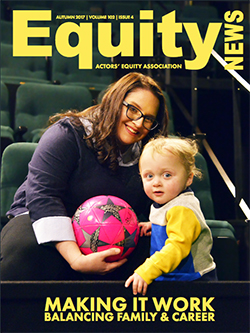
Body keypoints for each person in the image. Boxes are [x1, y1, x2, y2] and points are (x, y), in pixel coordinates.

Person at [0, 72, 169, 281]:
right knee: (25, 250)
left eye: (148, 119)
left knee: (164, 250)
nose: (138, 122)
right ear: (115, 101)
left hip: (113, 236)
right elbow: (42, 196)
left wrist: (162, 218)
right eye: (133, 109)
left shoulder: (149, 154)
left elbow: (172, 193)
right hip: (43, 221)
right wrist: (76, 259)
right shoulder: (67, 133)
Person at [125, 136, 217, 296]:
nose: (156, 183)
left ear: (188, 178)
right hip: (175, 277)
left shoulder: (182, 209)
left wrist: (147, 270)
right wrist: (153, 225)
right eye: (149, 176)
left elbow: (177, 247)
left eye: (167, 175)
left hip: (193, 281)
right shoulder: (168, 199)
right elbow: (170, 222)